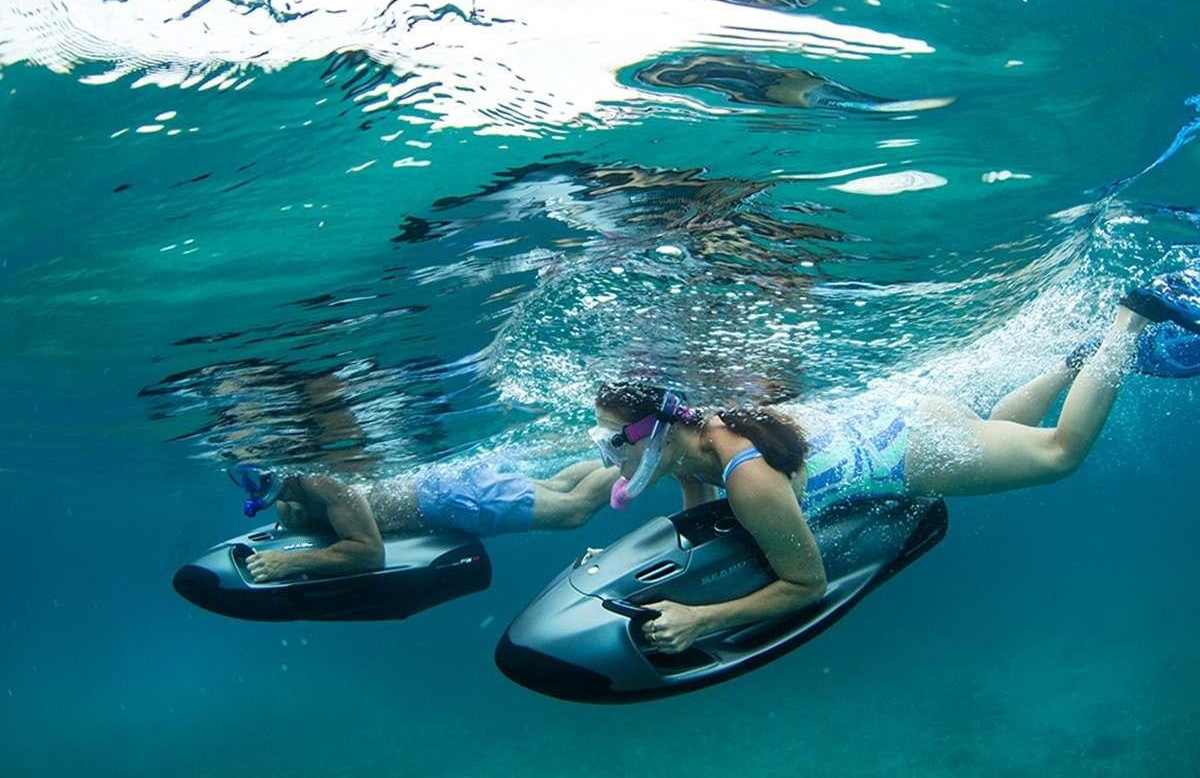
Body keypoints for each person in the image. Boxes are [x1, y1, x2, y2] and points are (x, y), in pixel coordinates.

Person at [589, 269, 1200, 654]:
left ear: (655, 434)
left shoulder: (746, 475)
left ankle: (1131, 319)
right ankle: (1078, 361)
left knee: (1058, 453)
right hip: (904, 416)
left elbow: (806, 585)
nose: (609, 453)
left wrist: (700, 620)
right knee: (993, 433)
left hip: (910, 450)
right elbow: (697, 523)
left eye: (616, 440)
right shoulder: (695, 442)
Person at [228, 459, 618, 583]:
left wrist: (290, 562)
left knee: (573, 510)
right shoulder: (288, 496)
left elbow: (368, 554)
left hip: (453, 501)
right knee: (557, 485)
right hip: (447, 486)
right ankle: (625, 451)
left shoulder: (327, 486)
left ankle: (650, 457)